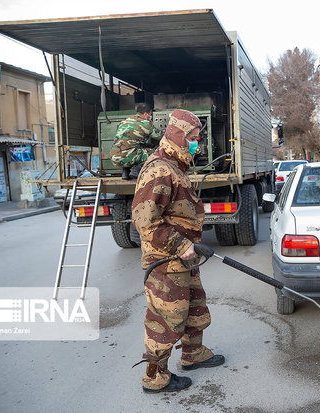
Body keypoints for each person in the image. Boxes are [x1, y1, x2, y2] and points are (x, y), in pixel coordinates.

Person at [131, 109, 224, 393]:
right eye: (193, 138)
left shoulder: (175, 165)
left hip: (184, 258)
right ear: (178, 135)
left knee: (195, 309)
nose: (197, 144)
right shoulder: (160, 169)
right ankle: (155, 376)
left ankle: (192, 354)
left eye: (197, 138)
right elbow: (145, 221)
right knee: (164, 321)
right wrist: (181, 245)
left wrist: (188, 248)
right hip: (166, 261)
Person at [110, 102, 163, 180]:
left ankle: (125, 172)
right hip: (128, 156)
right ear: (145, 114)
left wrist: (148, 145)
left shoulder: (125, 121)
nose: (150, 117)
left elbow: (131, 141)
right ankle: (137, 170)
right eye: (150, 114)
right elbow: (161, 137)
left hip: (114, 158)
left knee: (132, 149)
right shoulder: (146, 123)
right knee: (157, 152)